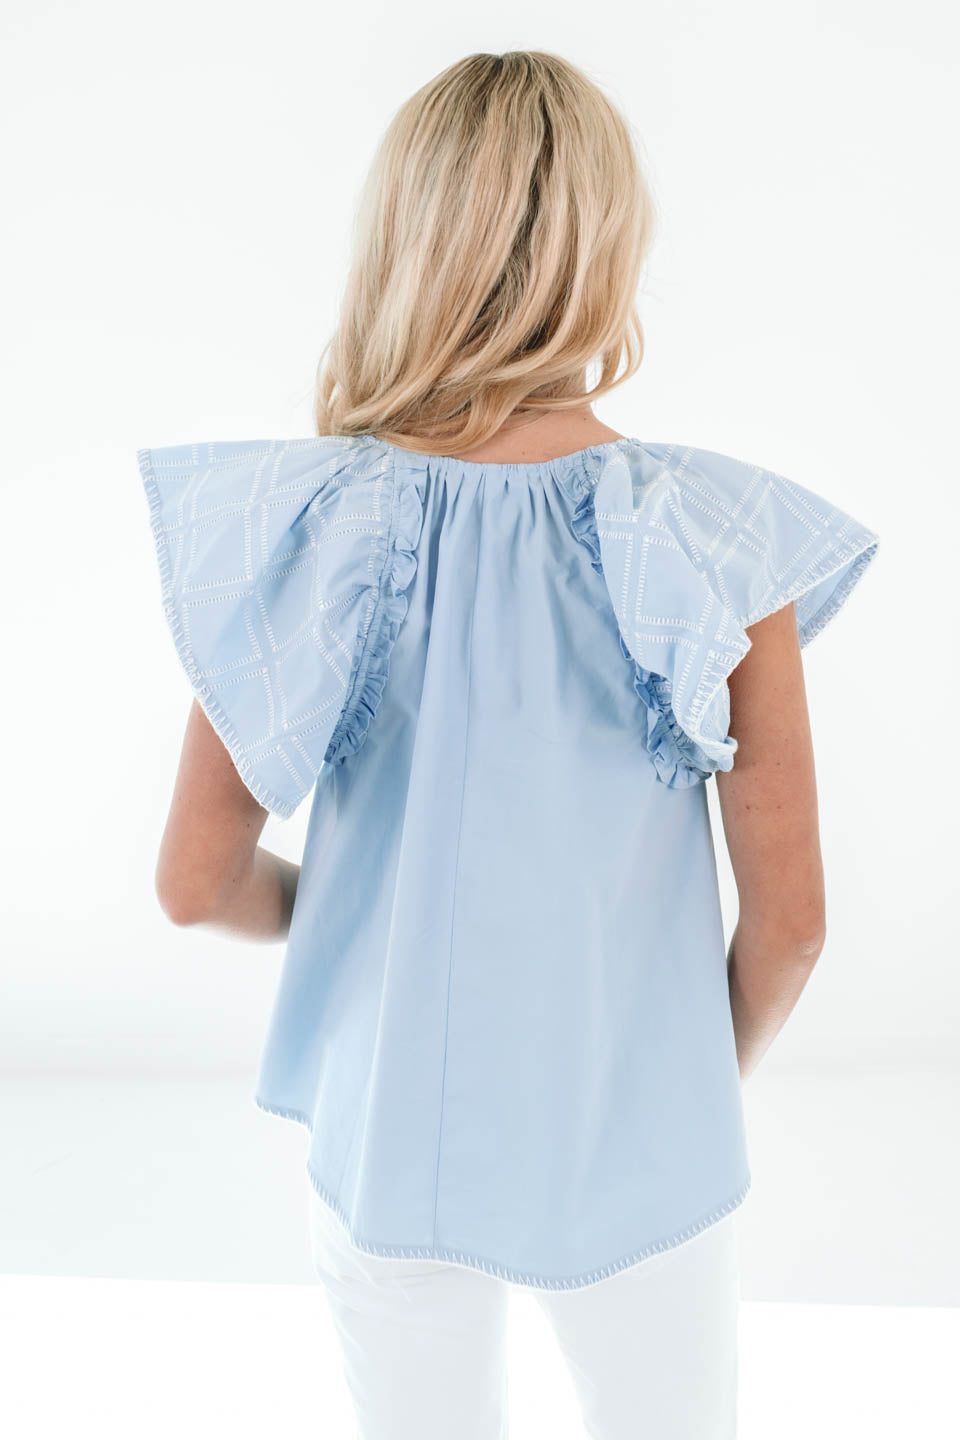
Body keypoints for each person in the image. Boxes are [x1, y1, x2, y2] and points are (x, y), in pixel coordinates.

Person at [136, 50, 880, 1440]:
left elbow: (194, 884)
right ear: (611, 250)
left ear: (402, 238)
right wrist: (668, 1079)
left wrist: (365, 927)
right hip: (640, 1146)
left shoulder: (310, 524)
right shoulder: (715, 540)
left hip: (390, 1138)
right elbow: (792, 927)